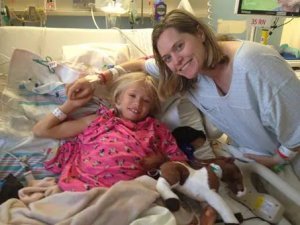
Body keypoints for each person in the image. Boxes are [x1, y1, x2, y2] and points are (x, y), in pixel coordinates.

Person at [66, 9, 300, 223]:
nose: (176, 61)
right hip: (252, 156)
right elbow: (141, 64)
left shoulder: (253, 63)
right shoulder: (189, 73)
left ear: (199, 33)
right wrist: (98, 78)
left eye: (179, 46)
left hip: (289, 160)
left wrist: (276, 159)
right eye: (167, 57)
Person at [32, 72, 187, 192]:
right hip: (83, 187)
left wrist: (161, 160)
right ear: (118, 99)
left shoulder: (156, 129)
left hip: (130, 193)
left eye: (146, 101)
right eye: (132, 95)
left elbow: (181, 165)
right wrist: (70, 105)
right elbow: (41, 130)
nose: (138, 103)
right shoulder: (97, 120)